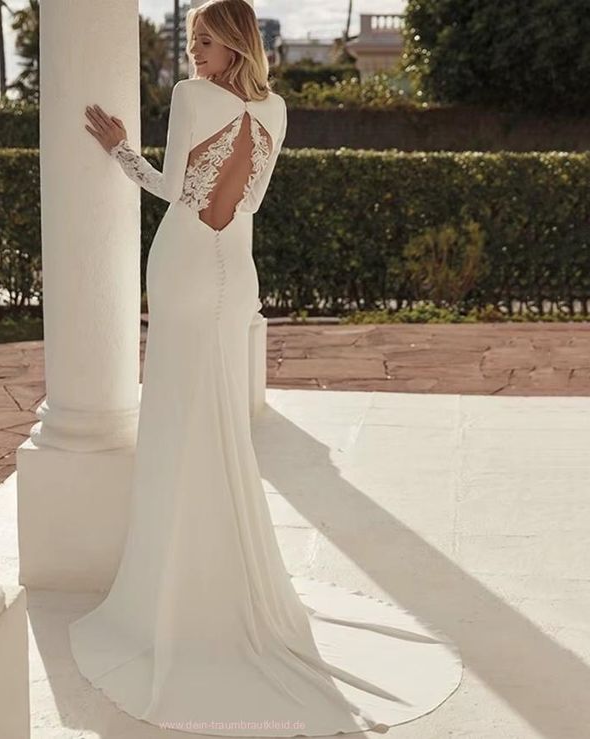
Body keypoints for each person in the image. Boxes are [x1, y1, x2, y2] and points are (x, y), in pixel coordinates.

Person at [70, 1, 463, 735]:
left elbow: (173, 189)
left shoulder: (193, 99)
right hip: (235, 272)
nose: (194, 52)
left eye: (206, 40)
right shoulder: (278, 112)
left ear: (234, 45)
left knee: (178, 420)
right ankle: (225, 578)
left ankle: (177, 589)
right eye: (191, 40)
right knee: (219, 423)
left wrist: (121, 150)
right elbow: (245, 199)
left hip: (187, 261)